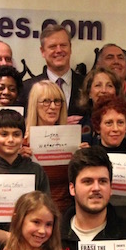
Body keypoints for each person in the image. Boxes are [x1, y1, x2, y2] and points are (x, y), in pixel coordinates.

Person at [24, 79, 73, 212]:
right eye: (46, 101)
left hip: (65, 212)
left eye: (57, 101)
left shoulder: (72, 140)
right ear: (35, 104)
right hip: (33, 213)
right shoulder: (23, 145)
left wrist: (82, 159)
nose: (52, 107)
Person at [21, 24, 85, 121]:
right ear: (42, 51)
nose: (59, 50)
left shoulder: (87, 85)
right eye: (52, 46)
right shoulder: (27, 88)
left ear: (70, 48)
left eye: (63, 45)